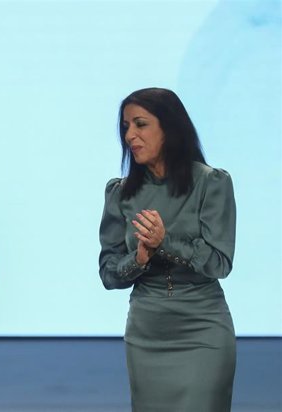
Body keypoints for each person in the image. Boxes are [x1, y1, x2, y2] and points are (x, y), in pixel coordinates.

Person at [98, 87, 237, 411]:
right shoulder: (120, 194)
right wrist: (140, 259)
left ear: (170, 127)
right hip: (146, 333)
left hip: (203, 330)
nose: (130, 135)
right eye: (125, 127)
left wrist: (166, 242)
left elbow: (220, 263)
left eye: (140, 124)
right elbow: (109, 273)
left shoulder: (211, 183)